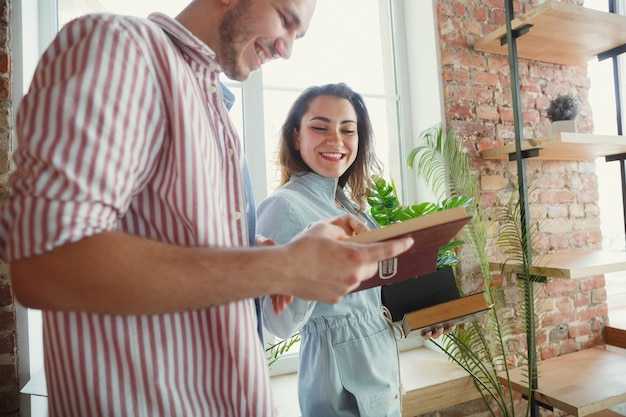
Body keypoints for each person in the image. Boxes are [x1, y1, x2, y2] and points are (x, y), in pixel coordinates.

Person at [0, 2, 415, 416]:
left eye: (298, 35)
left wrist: (260, 252)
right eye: (285, 20)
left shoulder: (214, 108)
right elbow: (45, 260)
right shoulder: (121, 47)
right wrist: (279, 267)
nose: (287, 49)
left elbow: (166, 240)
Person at [257, 83, 403, 417]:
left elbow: (369, 296)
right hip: (339, 382)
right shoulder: (284, 206)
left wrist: (421, 316)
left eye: (347, 130)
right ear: (296, 137)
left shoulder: (352, 206)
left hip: (381, 370)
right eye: (320, 127)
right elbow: (276, 324)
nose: (335, 140)